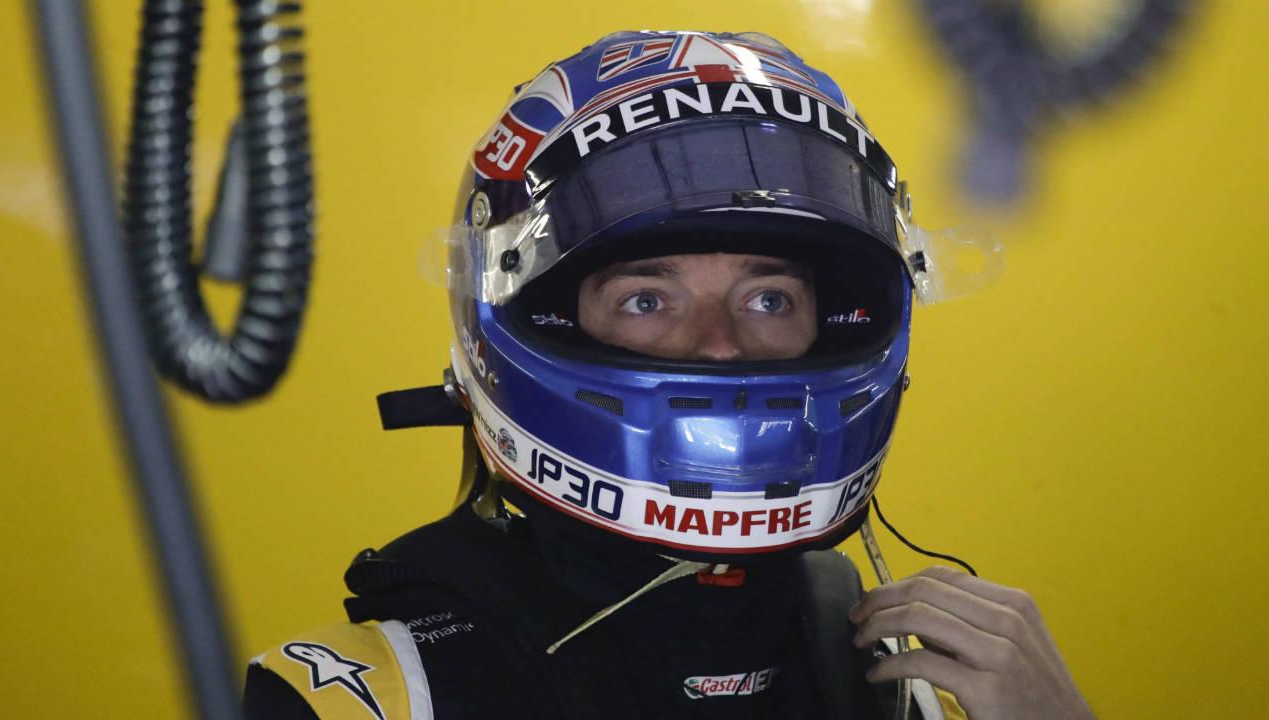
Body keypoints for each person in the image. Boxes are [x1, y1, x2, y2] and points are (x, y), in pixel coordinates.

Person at [242, 30, 1094, 720]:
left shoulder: (892, 670)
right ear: (528, 321)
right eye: (648, 300)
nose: (719, 346)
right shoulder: (369, 698)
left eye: (768, 299)